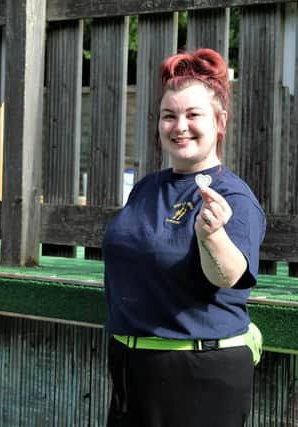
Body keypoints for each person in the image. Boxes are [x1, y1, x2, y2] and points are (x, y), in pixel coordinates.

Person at [102, 48, 266, 427]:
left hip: (198, 371)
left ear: (219, 121)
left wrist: (212, 236)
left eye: (193, 115)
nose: (180, 126)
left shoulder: (233, 197)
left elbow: (227, 276)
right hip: (131, 368)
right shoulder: (145, 189)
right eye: (169, 115)